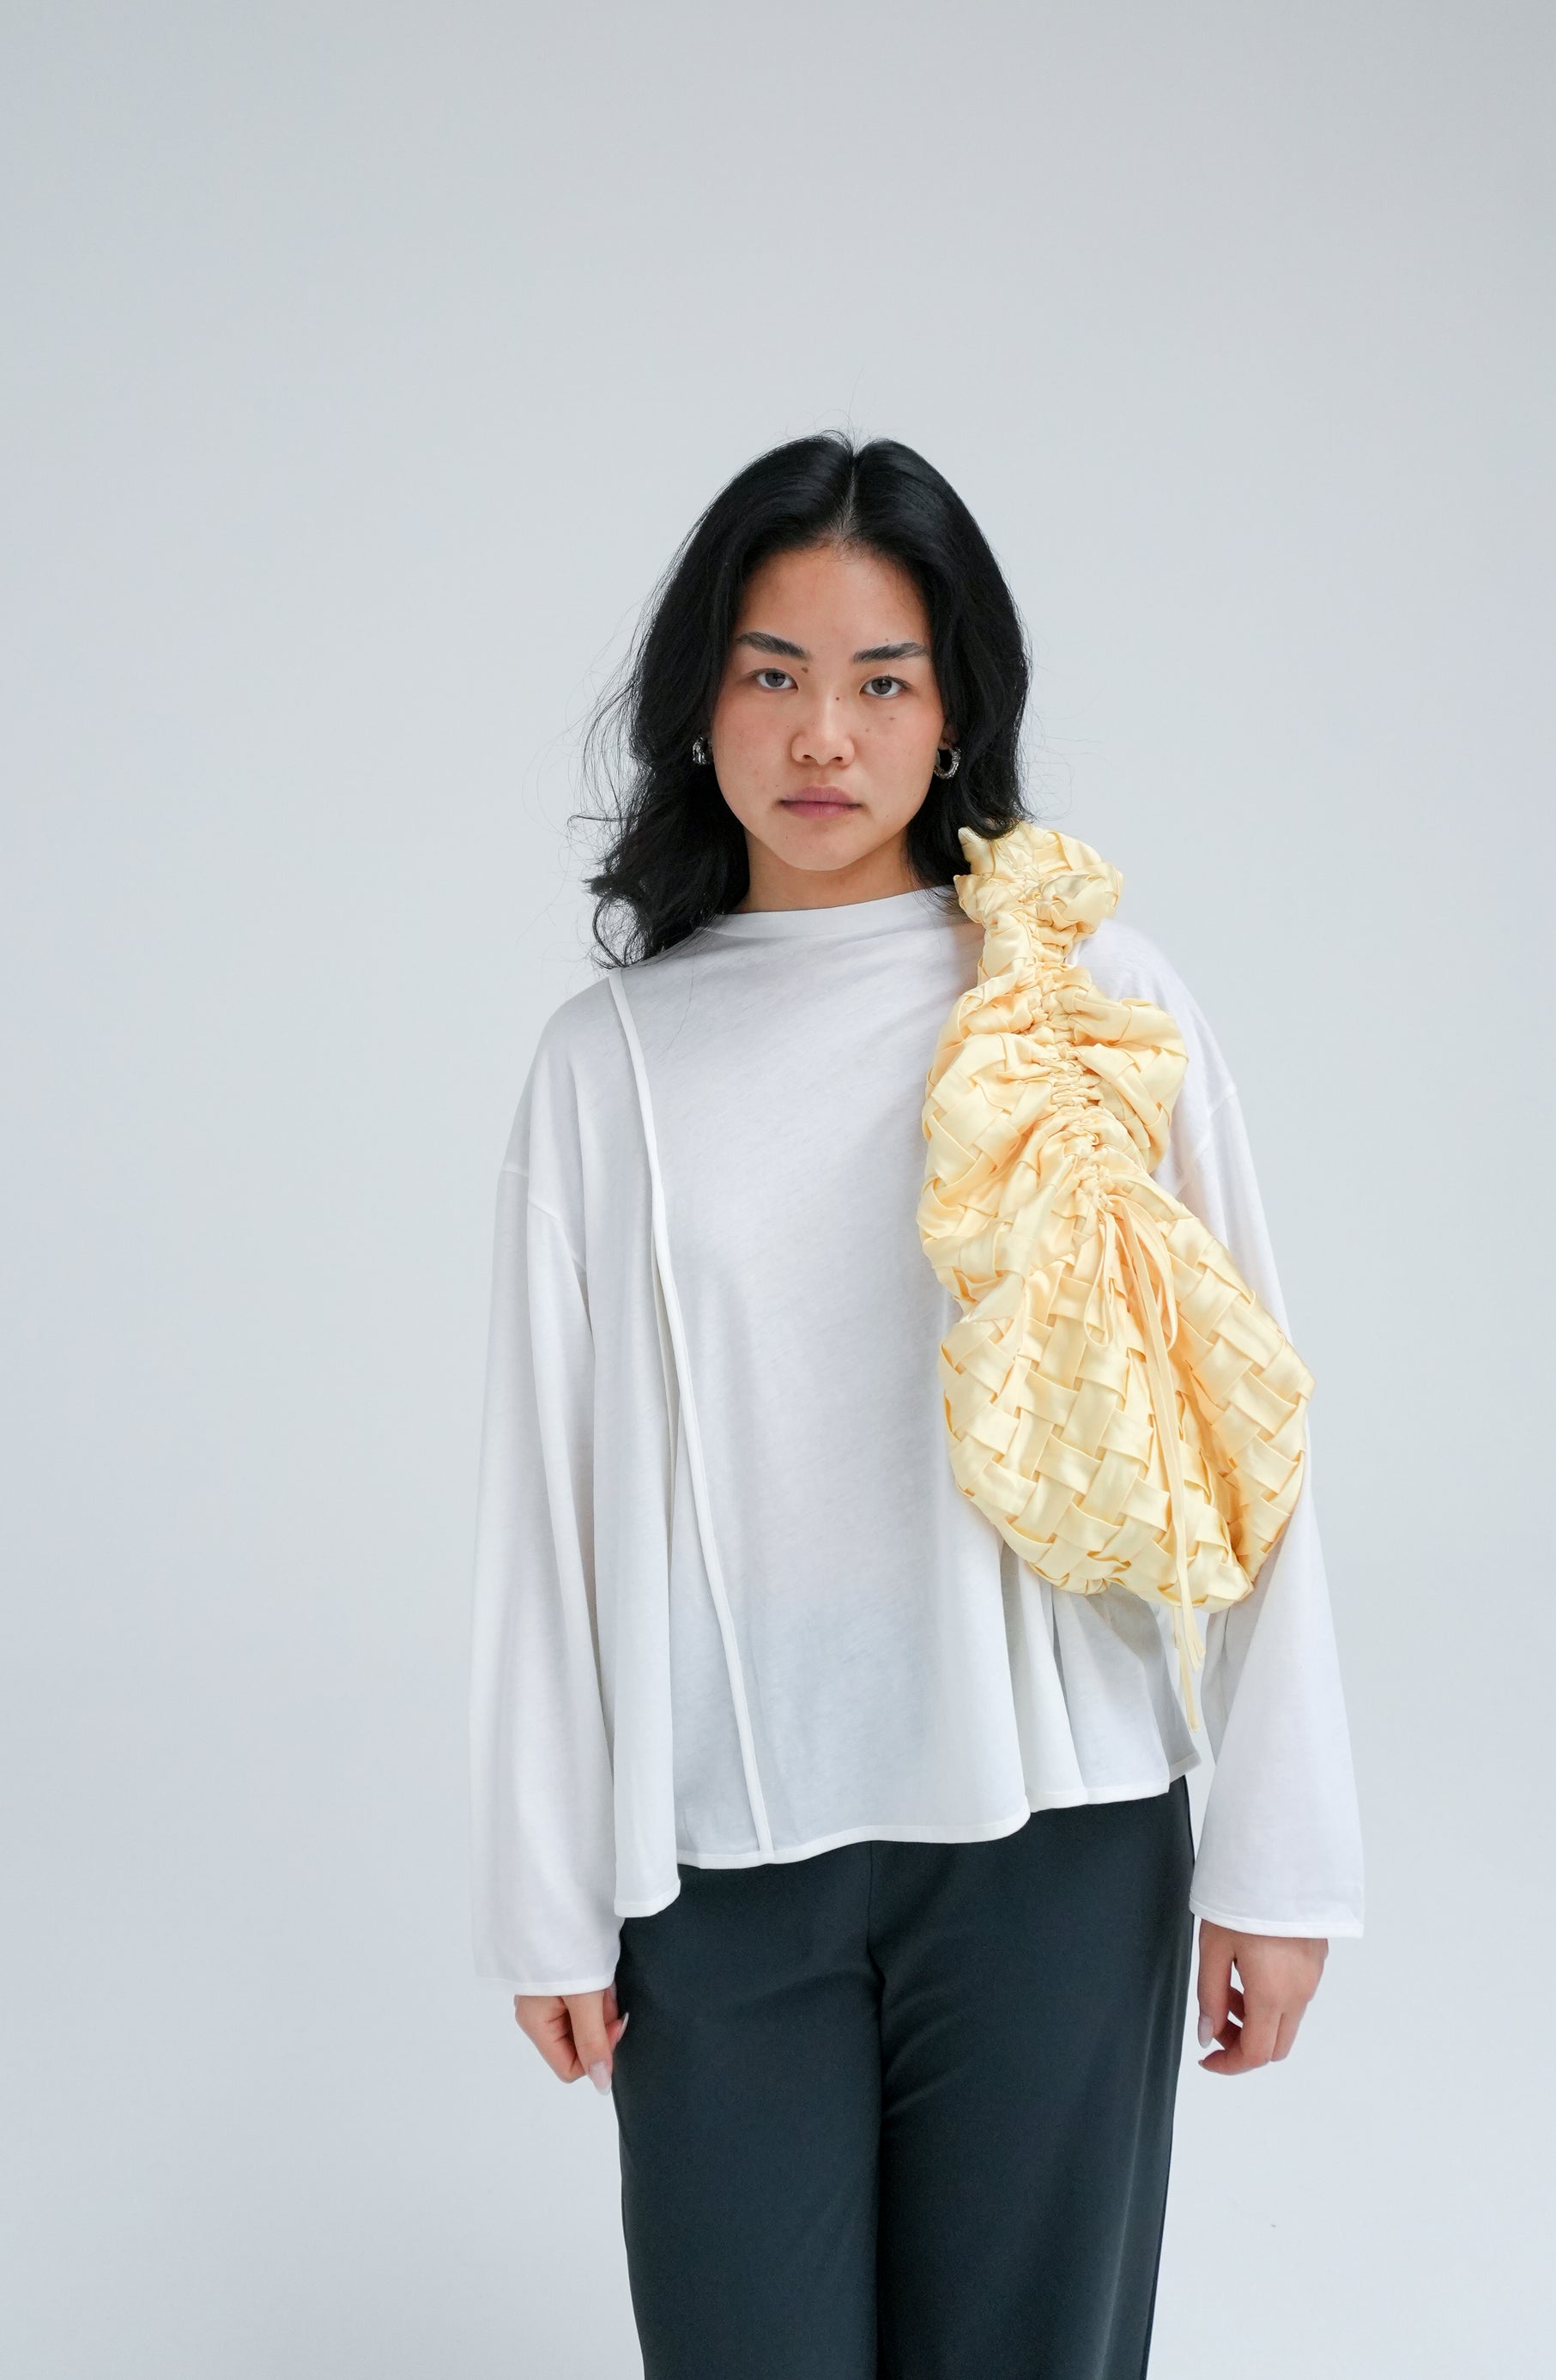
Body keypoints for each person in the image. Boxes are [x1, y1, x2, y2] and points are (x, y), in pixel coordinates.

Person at [468, 433, 1365, 2380]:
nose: (824, 733)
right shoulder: (611, 1062)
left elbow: (1248, 1431)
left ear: (956, 711)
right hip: (720, 1866)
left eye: (884, 680)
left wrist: (1280, 1855)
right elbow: (545, 1500)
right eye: (772, 671)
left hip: (1061, 1847)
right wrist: (546, 1895)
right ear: (699, 698)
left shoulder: (1087, 994)